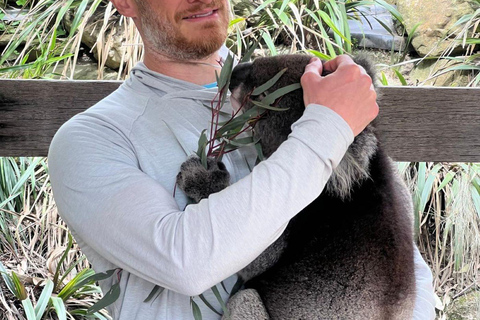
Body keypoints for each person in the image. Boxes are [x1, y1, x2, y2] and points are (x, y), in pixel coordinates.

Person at [47, 0, 437, 319]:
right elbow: (185, 262)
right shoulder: (92, 139)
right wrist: (329, 129)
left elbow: (400, 259)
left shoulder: (297, 89)